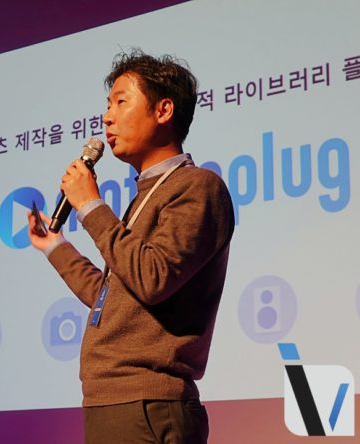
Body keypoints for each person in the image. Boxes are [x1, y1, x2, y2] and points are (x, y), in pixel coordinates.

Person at [28, 49, 234, 444]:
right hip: (113, 400)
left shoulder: (197, 187)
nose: (107, 117)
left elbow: (152, 278)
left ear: (163, 110)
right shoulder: (145, 194)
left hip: (149, 403)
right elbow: (114, 296)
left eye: (121, 102)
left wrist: (90, 205)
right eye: (108, 105)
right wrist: (56, 248)